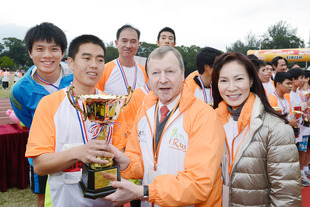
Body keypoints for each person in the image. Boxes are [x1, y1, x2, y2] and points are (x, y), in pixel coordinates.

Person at [101, 46, 225, 206]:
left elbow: (199, 184)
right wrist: (124, 161)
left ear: (182, 74)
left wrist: (145, 192)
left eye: (170, 72)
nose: (163, 79)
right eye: (155, 73)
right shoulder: (145, 110)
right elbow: (140, 159)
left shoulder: (204, 116)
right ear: (148, 78)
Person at [25, 34, 127, 207]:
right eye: (86, 58)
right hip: (63, 201)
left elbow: (122, 155)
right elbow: (40, 165)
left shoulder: (112, 104)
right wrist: (78, 153)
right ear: (70, 63)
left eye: (100, 59)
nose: (94, 65)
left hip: (106, 200)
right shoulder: (50, 104)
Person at [212, 52, 302, 206]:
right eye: (224, 80)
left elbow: (287, 198)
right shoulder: (210, 122)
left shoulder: (276, 129)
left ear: (252, 80)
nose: (231, 88)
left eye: (239, 79)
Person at [9, 22, 73, 207]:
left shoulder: (76, 77)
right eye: (40, 49)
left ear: (62, 52)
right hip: (44, 155)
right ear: (30, 52)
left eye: (54, 49)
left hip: (76, 149)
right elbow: (29, 121)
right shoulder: (20, 90)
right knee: (43, 199)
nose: (47, 55)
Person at [96, 24, 147, 95]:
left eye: (133, 41)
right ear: (116, 43)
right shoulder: (103, 71)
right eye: (124, 41)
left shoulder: (145, 73)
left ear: (138, 44)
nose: (128, 46)